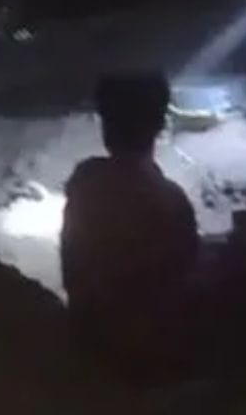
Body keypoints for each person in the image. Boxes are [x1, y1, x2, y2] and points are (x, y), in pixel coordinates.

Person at [60, 72, 197, 382]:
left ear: (105, 126)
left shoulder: (85, 185)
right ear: (160, 125)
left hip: (90, 346)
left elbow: (74, 272)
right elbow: (182, 283)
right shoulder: (171, 202)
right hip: (150, 358)